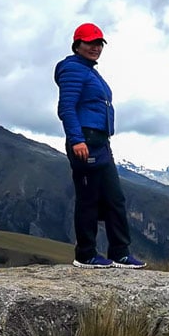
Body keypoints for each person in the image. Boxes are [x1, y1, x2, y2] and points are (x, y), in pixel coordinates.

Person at [54, 23, 145, 269]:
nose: (95, 48)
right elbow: (66, 108)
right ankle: (85, 254)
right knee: (89, 199)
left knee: (114, 198)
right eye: (89, 42)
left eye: (99, 43)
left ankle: (120, 252)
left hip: (100, 142)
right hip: (85, 140)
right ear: (77, 45)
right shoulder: (73, 69)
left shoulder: (90, 71)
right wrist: (76, 139)